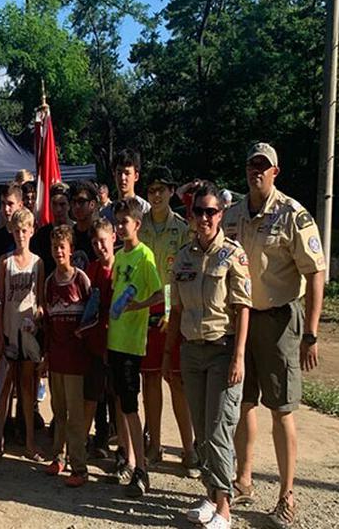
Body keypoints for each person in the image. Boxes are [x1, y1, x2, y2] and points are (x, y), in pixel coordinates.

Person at [225, 143, 326, 527]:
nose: (257, 171)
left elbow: (316, 272)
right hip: (242, 321)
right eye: (252, 165)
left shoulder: (292, 215)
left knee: (282, 409)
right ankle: (244, 478)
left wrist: (311, 332)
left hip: (281, 321)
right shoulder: (233, 214)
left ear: (275, 172)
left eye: (263, 167)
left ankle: (286, 494)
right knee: (243, 403)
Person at [167, 182, 252, 529]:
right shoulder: (184, 257)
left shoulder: (232, 254)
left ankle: (225, 507)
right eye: (198, 211)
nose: (204, 217)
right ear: (190, 215)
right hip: (191, 351)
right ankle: (210, 494)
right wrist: (169, 354)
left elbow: (242, 307)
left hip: (222, 349)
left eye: (211, 211)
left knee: (219, 429)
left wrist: (239, 357)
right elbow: (176, 311)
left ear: (221, 214)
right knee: (202, 429)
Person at [139, 167, 195, 474]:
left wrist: (173, 310)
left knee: (177, 380)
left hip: (172, 314)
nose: (156, 195)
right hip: (145, 314)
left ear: (172, 192)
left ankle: (189, 449)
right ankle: (155, 444)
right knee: (149, 379)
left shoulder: (183, 229)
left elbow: (184, 275)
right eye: (151, 190)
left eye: (162, 189)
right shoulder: (140, 226)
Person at [107, 198, 163, 497]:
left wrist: (138, 306)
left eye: (124, 222)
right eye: (116, 222)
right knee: (121, 403)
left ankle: (142, 469)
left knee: (130, 406)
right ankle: (127, 460)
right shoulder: (119, 257)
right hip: (114, 339)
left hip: (131, 343)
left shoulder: (145, 256)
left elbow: (158, 294)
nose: (119, 227)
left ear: (137, 225)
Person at [42, 225, 91, 488]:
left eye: (63, 247)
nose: (58, 251)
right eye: (54, 247)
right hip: (56, 357)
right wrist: (46, 356)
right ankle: (58, 457)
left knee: (75, 415)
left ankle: (80, 467)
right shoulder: (49, 282)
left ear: (71, 250)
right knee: (58, 412)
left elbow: (92, 315)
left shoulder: (81, 279)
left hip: (76, 360)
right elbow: (47, 323)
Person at [0, 208, 43, 462]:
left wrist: (38, 320)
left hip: (28, 334)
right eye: (17, 230)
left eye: (26, 230)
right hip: (9, 331)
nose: (21, 235)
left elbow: (41, 300)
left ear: (32, 231)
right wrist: (0, 333)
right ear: (12, 231)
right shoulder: (5, 261)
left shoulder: (38, 262)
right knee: (3, 387)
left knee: (27, 389)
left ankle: (30, 442)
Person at [82, 219, 116, 456]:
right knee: (95, 395)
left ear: (113, 237)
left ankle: (122, 448)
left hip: (118, 341)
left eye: (102, 241)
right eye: (94, 243)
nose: (99, 247)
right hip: (95, 342)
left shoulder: (122, 267)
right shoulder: (91, 270)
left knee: (117, 396)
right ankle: (96, 438)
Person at [30, 182, 70, 277]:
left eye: (62, 204)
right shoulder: (41, 235)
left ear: (69, 205)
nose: (58, 209)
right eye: (54, 204)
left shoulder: (77, 231)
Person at [100, 150, 151, 224]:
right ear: (114, 174)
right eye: (119, 173)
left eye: (127, 173)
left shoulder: (145, 210)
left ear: (136, 176)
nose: (122, 178)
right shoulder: (105, 214)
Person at [0, 184, 23, 268]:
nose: (6, 209)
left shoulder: (27, 235)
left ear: (20, 205)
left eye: (10, 204)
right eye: (3, 203)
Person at [68, 180, 99, 270]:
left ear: (92, 204)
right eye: (73, 202)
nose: (77, 206)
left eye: (81, 201)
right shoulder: (69, 235)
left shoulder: (100, 234)